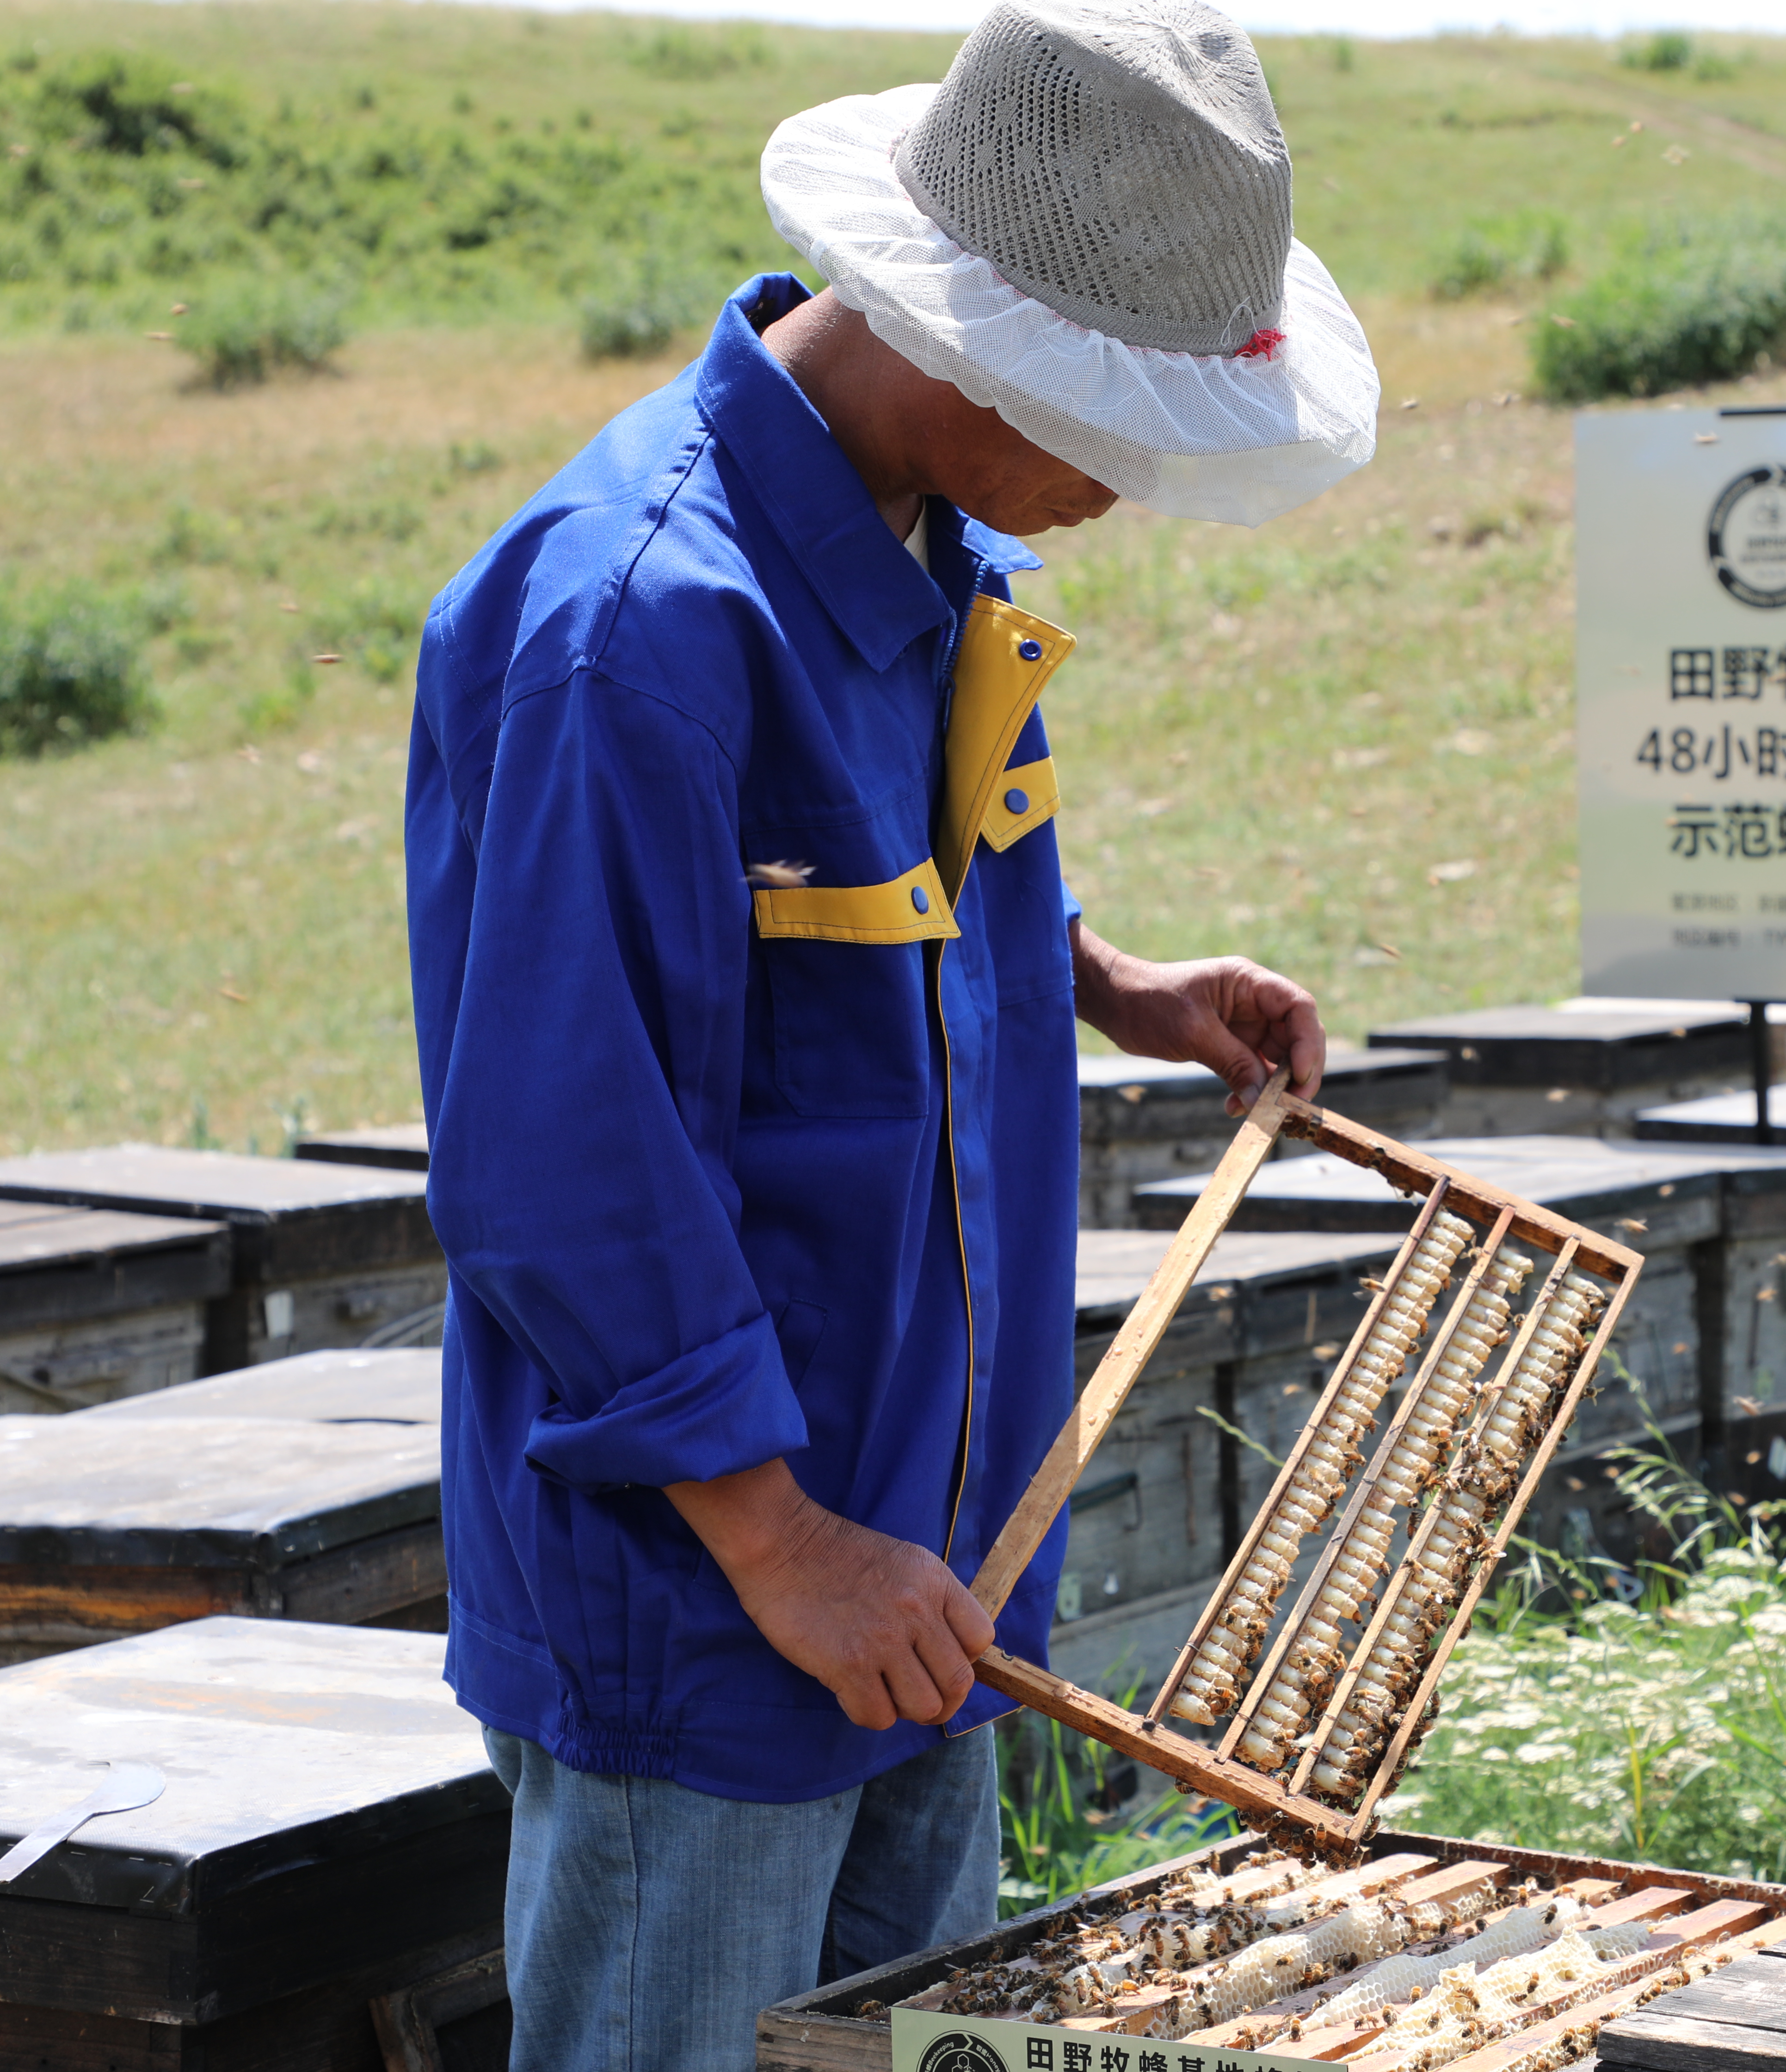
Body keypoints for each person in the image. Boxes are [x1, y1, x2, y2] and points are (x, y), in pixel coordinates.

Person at [400, 5, 1381, 2068]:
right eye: (1108, 424)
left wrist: (1115, 984)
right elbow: (560, 1161)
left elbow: (866, 912)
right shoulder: (632, 629)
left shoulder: (947, 557)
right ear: (961, 340)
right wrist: (781, 1538)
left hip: (932, 1553)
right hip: (719, 1599)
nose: (1126, 483)